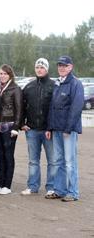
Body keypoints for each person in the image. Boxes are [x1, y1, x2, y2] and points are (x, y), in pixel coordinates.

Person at [46, 56, 84, 202]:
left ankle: (73, 192)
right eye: (59, 65)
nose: (61, 67)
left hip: (68, 130)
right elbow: (52, 107)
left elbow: (76, 108)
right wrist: (49, 127)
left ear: (70, 67)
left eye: (64, 65)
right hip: (56, 129)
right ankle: (60, 190)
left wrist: (68, 128)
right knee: (58, 161)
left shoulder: (75, 84)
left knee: (69, 162)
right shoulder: (58, 83)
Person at [20, 58, 56, 196]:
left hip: (49, 131)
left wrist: (51, 127)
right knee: (33, 161)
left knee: (52, 161)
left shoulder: (54, 86)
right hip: (32, 130)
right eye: (37, 67)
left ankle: (51, 187)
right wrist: (22, 123)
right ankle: (32, 186)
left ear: (47, 69)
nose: (39, 69)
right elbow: (22, 107)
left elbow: (56, 109)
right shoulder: (29, 87)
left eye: (42, 67)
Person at [0, 64, 22, 195]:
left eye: (5, 74)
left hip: (9, 127)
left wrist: (16, 127)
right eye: (1, 73)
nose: (2, 76)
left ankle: (7, 185)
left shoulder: (15, 89)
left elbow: (20, 109)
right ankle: (0, 183)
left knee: (8, 156)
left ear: (10, 75)